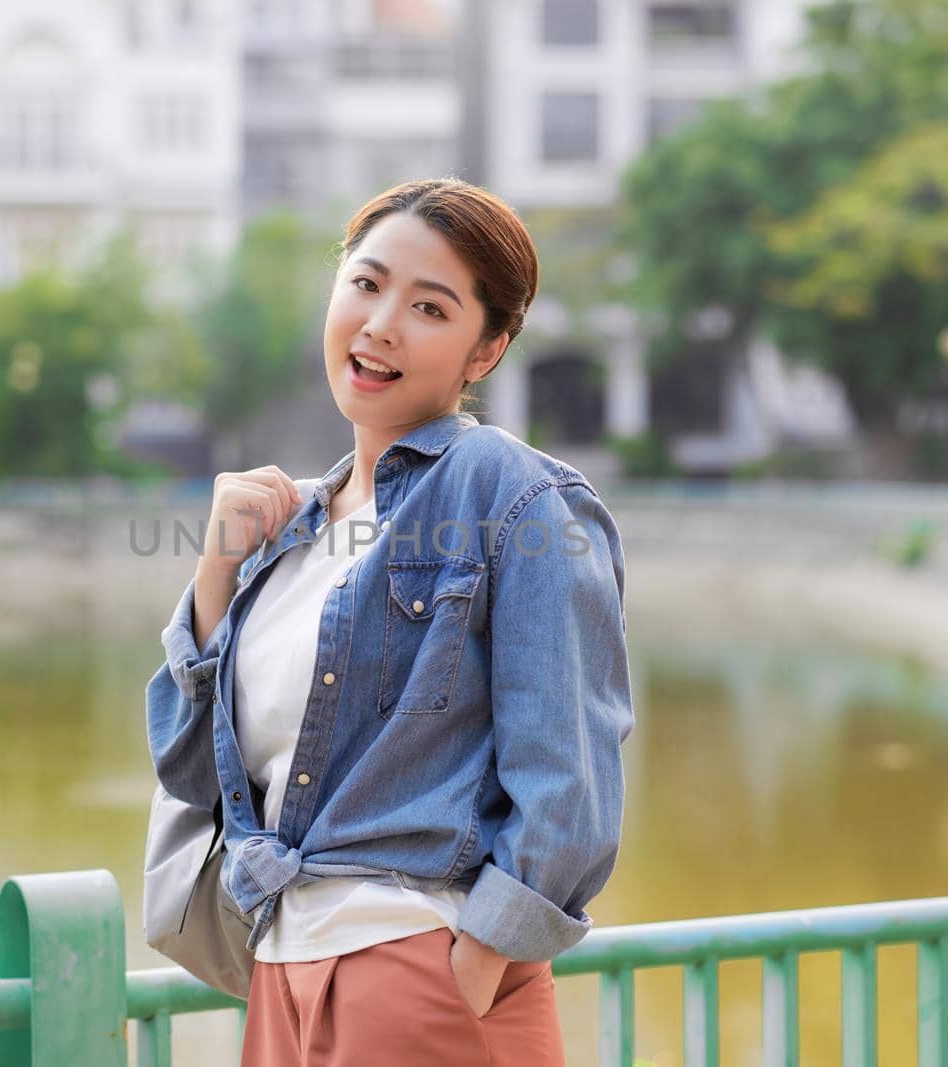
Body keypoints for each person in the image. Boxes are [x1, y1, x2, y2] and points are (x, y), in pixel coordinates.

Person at [146, 177, 634, 1066]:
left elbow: (571, 773)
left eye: (430, 307)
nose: (380, 325)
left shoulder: (515, 497)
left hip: (410, 971)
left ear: (485, 350)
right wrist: (216, 572)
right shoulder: (286, 526)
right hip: (279, 972)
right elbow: (191, 774)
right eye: (366, 285)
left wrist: (470, 964)